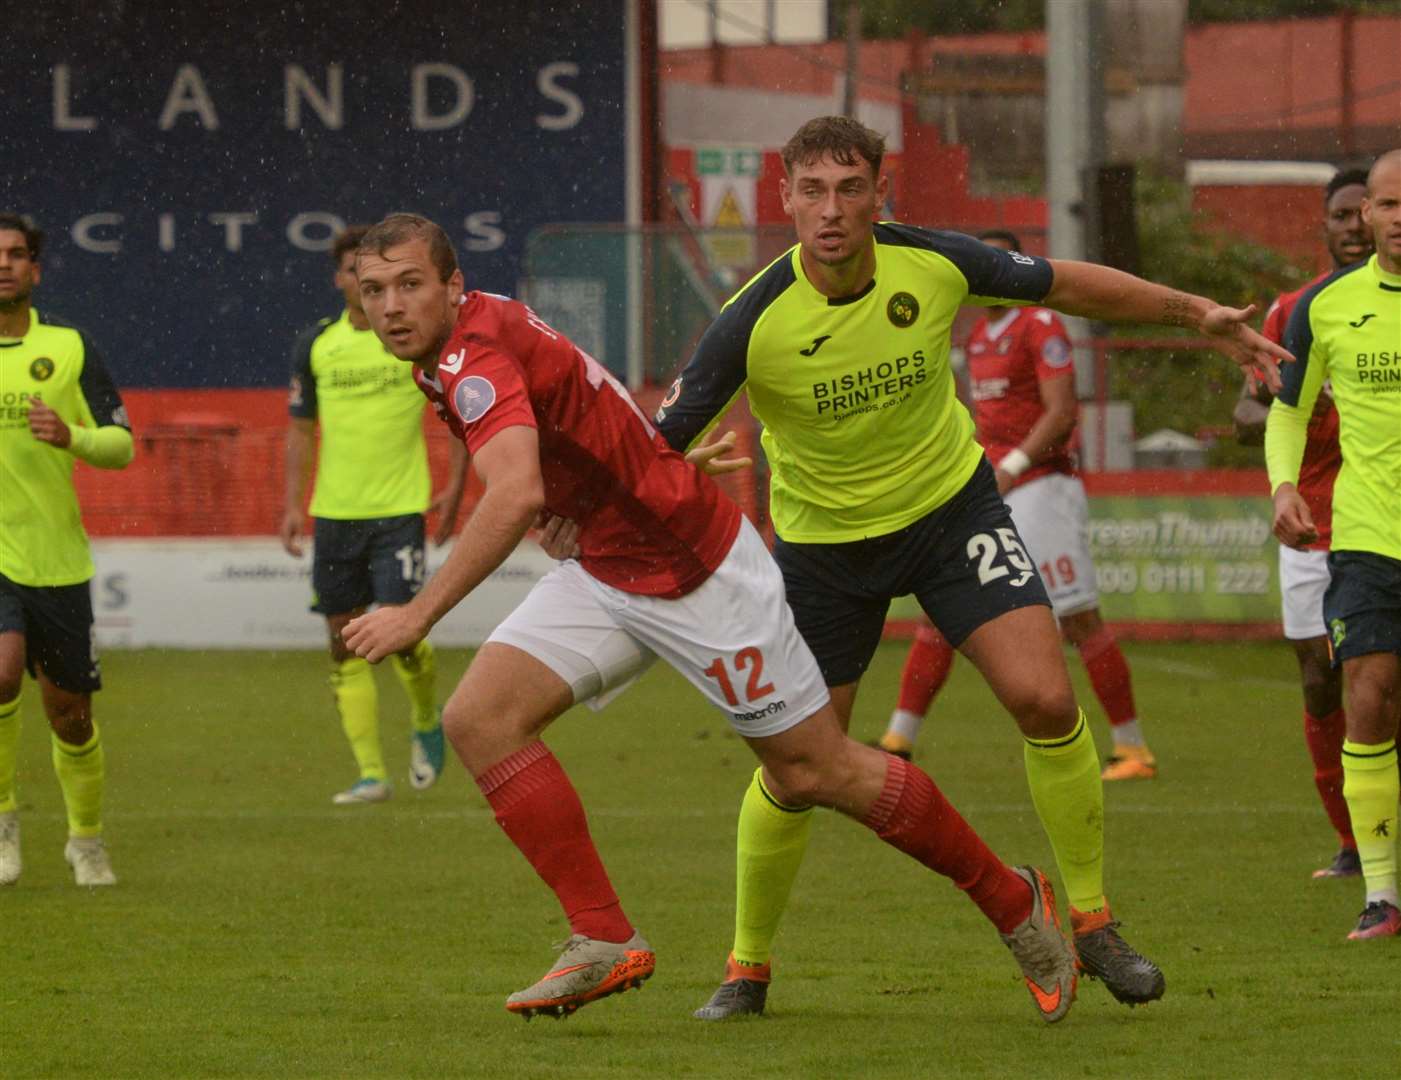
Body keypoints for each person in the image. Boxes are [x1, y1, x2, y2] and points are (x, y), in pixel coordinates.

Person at [342, 212, 1079, 1023]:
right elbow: (585, 414)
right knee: (480, 719)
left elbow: (513, 490)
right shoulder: (476, 327)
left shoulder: (467, 355)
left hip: (695, 571)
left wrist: (416, 612)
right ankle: (601, 938)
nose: (391, 306)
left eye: (410, 285)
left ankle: (1014, 903)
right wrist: (607, 483)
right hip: (606, 562)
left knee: (815, 770)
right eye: (374, 290)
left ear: (451, 285)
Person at [654, 116, 1290, 1018]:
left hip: (952, 514)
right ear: (785, 200)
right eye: (811, 192)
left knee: (1045, 698)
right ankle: (745, 966)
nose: (829, 211)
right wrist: (590, 503)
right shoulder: (748, 322)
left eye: (848, 189)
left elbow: (1070, 286)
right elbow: (648, 445)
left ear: (882, 195)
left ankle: (1093, 921)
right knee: (801, 766)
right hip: (823, 551)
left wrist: (1197, 316)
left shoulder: (935, 262)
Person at [873, 229, 1155, 782]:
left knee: (1077, 617)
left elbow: (1061, 412)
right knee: (941, 610)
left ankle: (1132, 748)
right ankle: (898, 738)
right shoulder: (979, 334)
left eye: (995, 263)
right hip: (990, 490)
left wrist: (1013, 468)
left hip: (1040, 487)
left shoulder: (1040, 323)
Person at [280, 225, 467, 805]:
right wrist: (292, 504)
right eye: (355, 276)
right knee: (343, 642)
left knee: (401, 633)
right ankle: (370, 773)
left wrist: (457, 487)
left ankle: (425, 716)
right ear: (344, 281)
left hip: (398, 510)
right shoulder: (315, 344)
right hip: (335, 515)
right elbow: (301, 430)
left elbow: (460, 408)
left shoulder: (407, 336)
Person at [1267, 149, 1401, 941]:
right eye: (1385, 204)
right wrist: (1283, 485)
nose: (1396, 218)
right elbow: (1284, 410)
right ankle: (1382, 893)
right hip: (1365, 537)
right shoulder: (1322, 306)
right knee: (1365, 695)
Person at [1233, 168, 1373, 879]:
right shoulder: (1293, 309)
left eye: (1362, 213)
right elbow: (1248, 410)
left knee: (1377, 679)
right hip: (1311, 522)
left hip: (1381, 520)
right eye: (1338, 216)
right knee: (1320, 681)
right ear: (1323, 226)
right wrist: (1290, 406)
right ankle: (1351, 842)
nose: (1351, 227)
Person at [0, 213, 133, 887]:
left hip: (55, 559)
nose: (3, 265)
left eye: (16, 255)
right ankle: (3, 825)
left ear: (34, 270)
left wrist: (71, 438)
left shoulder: (70, 346)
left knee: (71, 716)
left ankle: (86, 839)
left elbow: (120, 443)